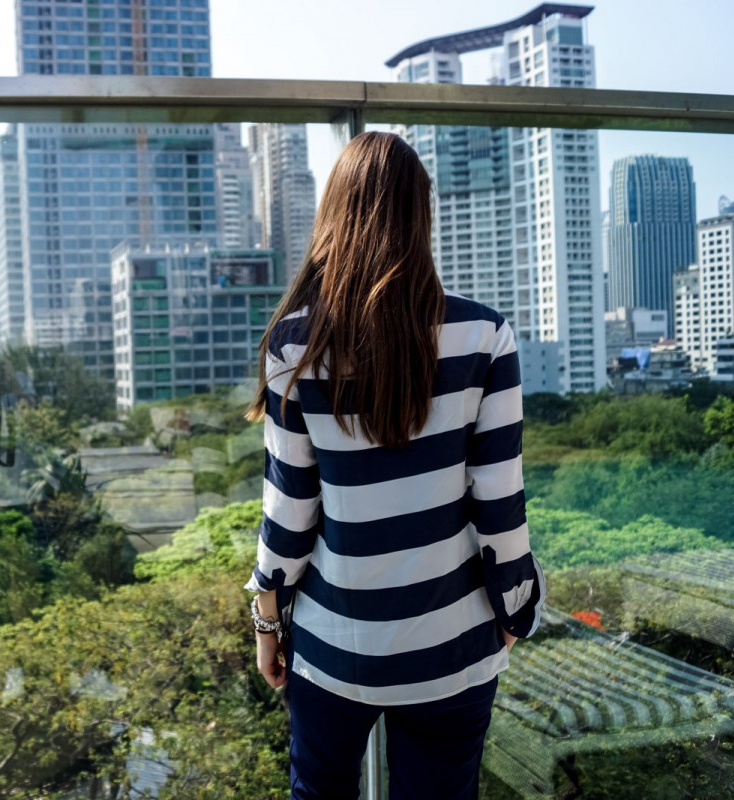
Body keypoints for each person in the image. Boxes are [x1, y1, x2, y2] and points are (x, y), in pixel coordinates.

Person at [244, 131, 545, 800]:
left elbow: (288, 517)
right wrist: (516, 610)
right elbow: (501, 506)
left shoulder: (295, 347)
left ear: (334, 213)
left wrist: (268, 622)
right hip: (454, 647)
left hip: (333, 649)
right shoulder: (483, 336)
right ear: (422, 214)